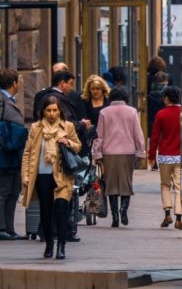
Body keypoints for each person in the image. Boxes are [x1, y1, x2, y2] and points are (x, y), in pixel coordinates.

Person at [20, 96, 81, 259]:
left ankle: (61, 246)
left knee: (62, 210)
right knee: (45, 213)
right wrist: (25, 175)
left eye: (55, 110)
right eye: (49, 110)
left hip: (62, 176)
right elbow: (27, 152)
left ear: (60, 111)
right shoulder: (36, 128)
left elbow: (78, 146)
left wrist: (67, 142)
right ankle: (49, 244)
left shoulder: (67, 126)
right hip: (41, 176)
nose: (52, 114)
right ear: (43, 112)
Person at [93, 87, 146, 228]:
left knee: (111, 185)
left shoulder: (104, 112)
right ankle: (124, 209)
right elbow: (138, 133)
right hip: (127, 153)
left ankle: (115, 216)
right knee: (126, 183)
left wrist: (97, 153)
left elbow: (99, 135)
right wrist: (141, 151)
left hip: (108, 153)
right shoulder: (132, 112)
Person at [149, 86, 182, 230]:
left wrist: (151, 156)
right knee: (179, 186)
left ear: (167, 98)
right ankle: (179, 218)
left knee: (165, 185)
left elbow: (155, 137)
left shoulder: (161, 114)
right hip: (181, 155)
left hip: (164, 155)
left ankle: (167, 214)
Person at [0, 68, 27, 240]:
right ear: (14, 83)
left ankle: (9, 228)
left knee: (13, 191)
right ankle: (2, 228)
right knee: (3, 192)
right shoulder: (1, 100)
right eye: (19, 81)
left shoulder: (10, 100)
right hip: (4, 155)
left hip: (13, 154)